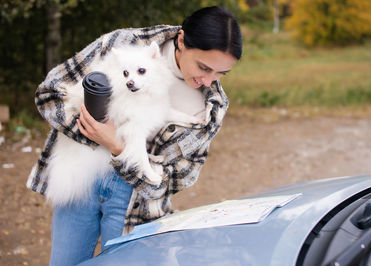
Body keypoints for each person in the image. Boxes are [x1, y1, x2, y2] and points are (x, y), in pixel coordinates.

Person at [27, 5, 242, 266]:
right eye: (203, 67)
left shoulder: (211, 108)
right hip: (81, 174)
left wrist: (118, 146)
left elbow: (176, 180)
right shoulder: (122, 44)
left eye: (221, 73)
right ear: (183, 41)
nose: (209, 80)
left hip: (135, 199)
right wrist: (91, 132)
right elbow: (49, 95)